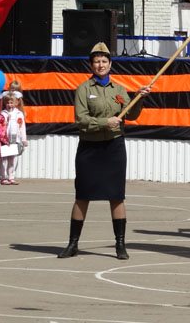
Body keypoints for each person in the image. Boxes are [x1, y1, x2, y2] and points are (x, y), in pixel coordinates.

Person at [58, 43, 151, 260]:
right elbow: (81, 120)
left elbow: (132, 114)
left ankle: (120, 244)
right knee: (82, 195)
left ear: (110, 64)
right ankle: (73, 244)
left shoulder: (118, 90)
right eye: (96, 61)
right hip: (89, 148)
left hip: (114, 147)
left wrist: (140, 97)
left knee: (116, 196)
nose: (100, 65)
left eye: (104, 61)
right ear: (91, 64)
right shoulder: (84, 89)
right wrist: (103, 122)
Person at [0, 91, 27, 185]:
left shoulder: (19, 114)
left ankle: (11, 176)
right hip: (4, 139)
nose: (9, 104)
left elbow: (22, 127)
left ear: (16, 103)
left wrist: (24, 139)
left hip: (15, 139)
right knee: (4, 159)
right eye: (7, 102)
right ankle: (3, 177)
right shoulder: (3, 113)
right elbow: (0, 127)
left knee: (13, 159)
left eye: (11, 102)